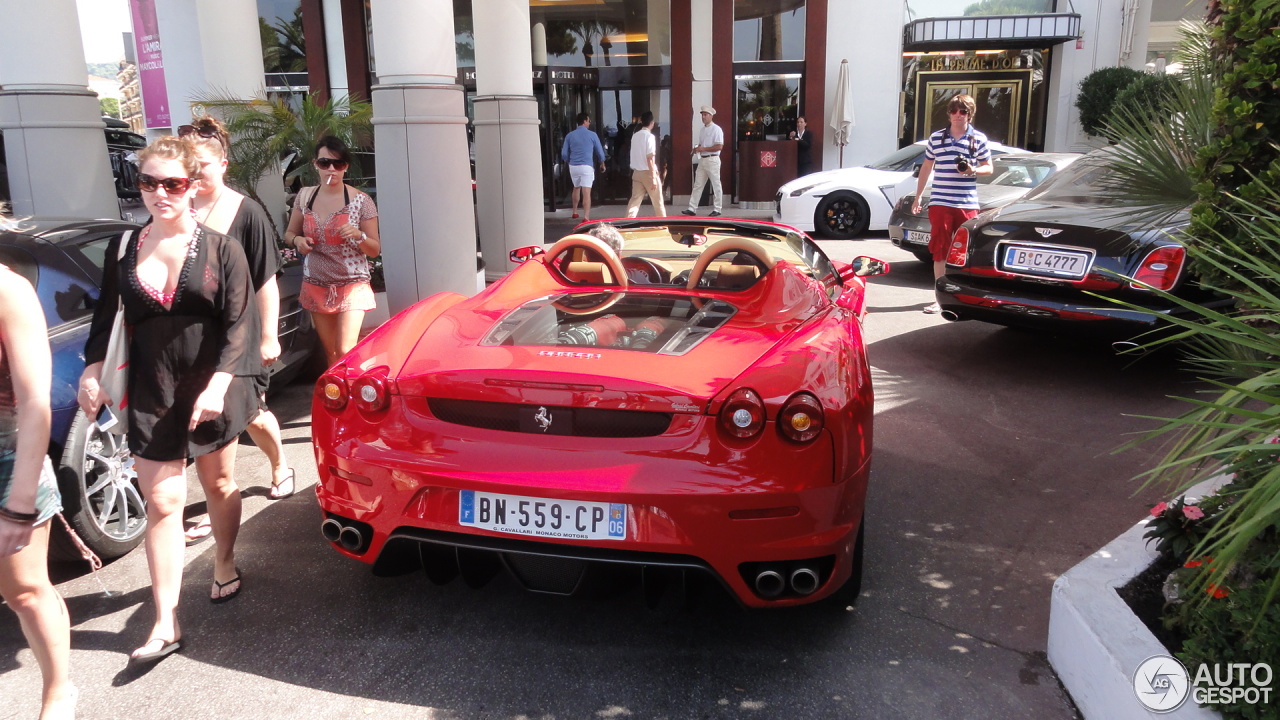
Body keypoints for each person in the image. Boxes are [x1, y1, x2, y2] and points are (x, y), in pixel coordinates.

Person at [78, 136, 261, 660]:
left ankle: (224, 558)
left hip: (212, 382)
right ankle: (165, 622)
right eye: (148, 183)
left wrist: (220, 384)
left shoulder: (221, 248)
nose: (160, 193)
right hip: (151, 387)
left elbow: (238, 324)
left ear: (192, 186)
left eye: (172, 183)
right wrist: (93, 371)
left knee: (220, 481)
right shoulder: (124, 248)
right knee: (163, 504)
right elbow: (104, 322)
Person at [175, 117, 295, 532]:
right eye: (189, 165)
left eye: (204, 164)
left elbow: (266, 280)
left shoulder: (247, 213)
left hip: (242, 333)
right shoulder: (178, 211)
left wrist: (268, 336)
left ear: (223, 164)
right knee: (208, 420)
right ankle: (217, 496)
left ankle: (278, 464)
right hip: (196, 339)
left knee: (249, 413)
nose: (196, 173)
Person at [1, 267, 77, 718]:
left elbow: (34, 401)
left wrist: (19, 505)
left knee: (25, 591)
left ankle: (58, 690)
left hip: (8, 459)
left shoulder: (8, 289)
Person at [282, 136, 381, 366]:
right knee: (331, 354)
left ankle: (358, 394)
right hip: (317, 282)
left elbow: (375, 249)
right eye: (325, 163)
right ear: (316, 164)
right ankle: (337, 399)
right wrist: (298, 241)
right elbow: (288, 234)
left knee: (346, 349)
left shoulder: (361, 201)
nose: (332, 169)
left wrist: (359, 236)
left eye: (339, 164)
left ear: (346, 166)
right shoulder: (305, 197)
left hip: (352, 283)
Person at [910, 94, 992, 314]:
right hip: (940, 202)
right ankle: (939, 297)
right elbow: (926, 168)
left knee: (965, 251)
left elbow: (989, 167)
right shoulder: (937, 138)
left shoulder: (978, 139)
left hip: (966, 202)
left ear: (970, 114)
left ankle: (964, 296)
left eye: (963, 111)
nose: (958, 115)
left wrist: (972, 170)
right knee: (940, 250)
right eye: (954, 111)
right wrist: (918, 197)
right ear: (949, 113)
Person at [561, 113, 606, 221]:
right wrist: (602, 163)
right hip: (587, 166)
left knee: (576, 187)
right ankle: (586, 216)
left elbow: (564, 154)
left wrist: (568, 161)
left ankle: (575, 212)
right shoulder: (592, 135)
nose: (589, 123)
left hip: (574, 166)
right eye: (589, 121)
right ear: (585, 121)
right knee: (586, 192)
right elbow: (600, 151)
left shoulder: (570, 135)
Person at [683, 106, 724, 217]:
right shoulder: (702, 130)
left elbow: (719, 146)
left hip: (713, 159)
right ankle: (692, 208)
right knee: (698, 184)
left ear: (711, 116)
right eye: (702, 115)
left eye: (705, 115)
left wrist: (703, 149)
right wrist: (697, 148)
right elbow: (702, 145)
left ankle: (717, 208)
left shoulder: (717, 129)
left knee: (716, 184)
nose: (703, 117)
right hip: (703, 159)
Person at [625, 111, 665, 218]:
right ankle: (664, 225)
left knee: (634, 201)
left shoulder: (635, 136)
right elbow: (650, 158)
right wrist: (653, 177)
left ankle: (627, 224)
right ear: (652, 123)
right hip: (648, 172)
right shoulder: (650, 137)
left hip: (637, 172)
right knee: (658, 202)